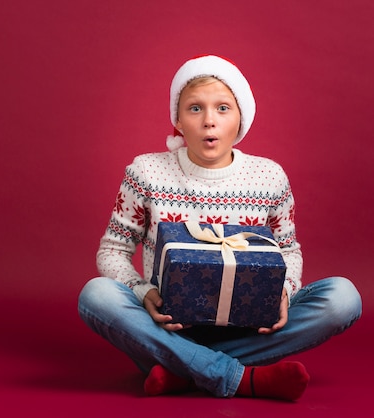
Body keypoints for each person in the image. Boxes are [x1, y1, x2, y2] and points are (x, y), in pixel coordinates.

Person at [78, 55, 362, 401]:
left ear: (241, 118)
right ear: (178, 121)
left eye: (223, 108)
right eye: (195, 109)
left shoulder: (269, 177)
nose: (209, 121)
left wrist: (283, 292)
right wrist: (143, 292)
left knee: (343, 298)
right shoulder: (146, 172)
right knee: (96, 295)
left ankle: (185, 371)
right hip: (165, 326)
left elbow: (287, 249)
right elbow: (114, 249)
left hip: (246, 327)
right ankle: (239, 377)